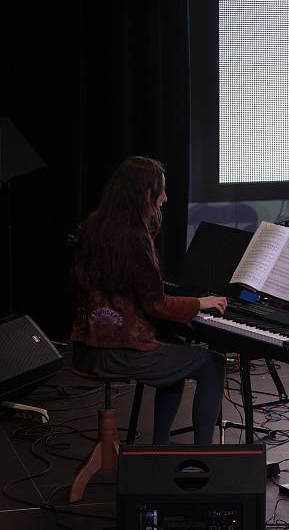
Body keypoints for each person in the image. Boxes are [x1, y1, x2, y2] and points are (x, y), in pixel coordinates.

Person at [70, 156, 228, 444]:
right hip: (117, 351)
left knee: (177, 356)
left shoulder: (97, 224)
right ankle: (206, 457)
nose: (165, 199)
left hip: (87, 347)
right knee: (212, 364)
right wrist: (200, 303)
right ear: (146, 193)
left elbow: (129, 287)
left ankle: (160, 447)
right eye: (161, 190)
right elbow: (157, 304)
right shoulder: (134, 237)